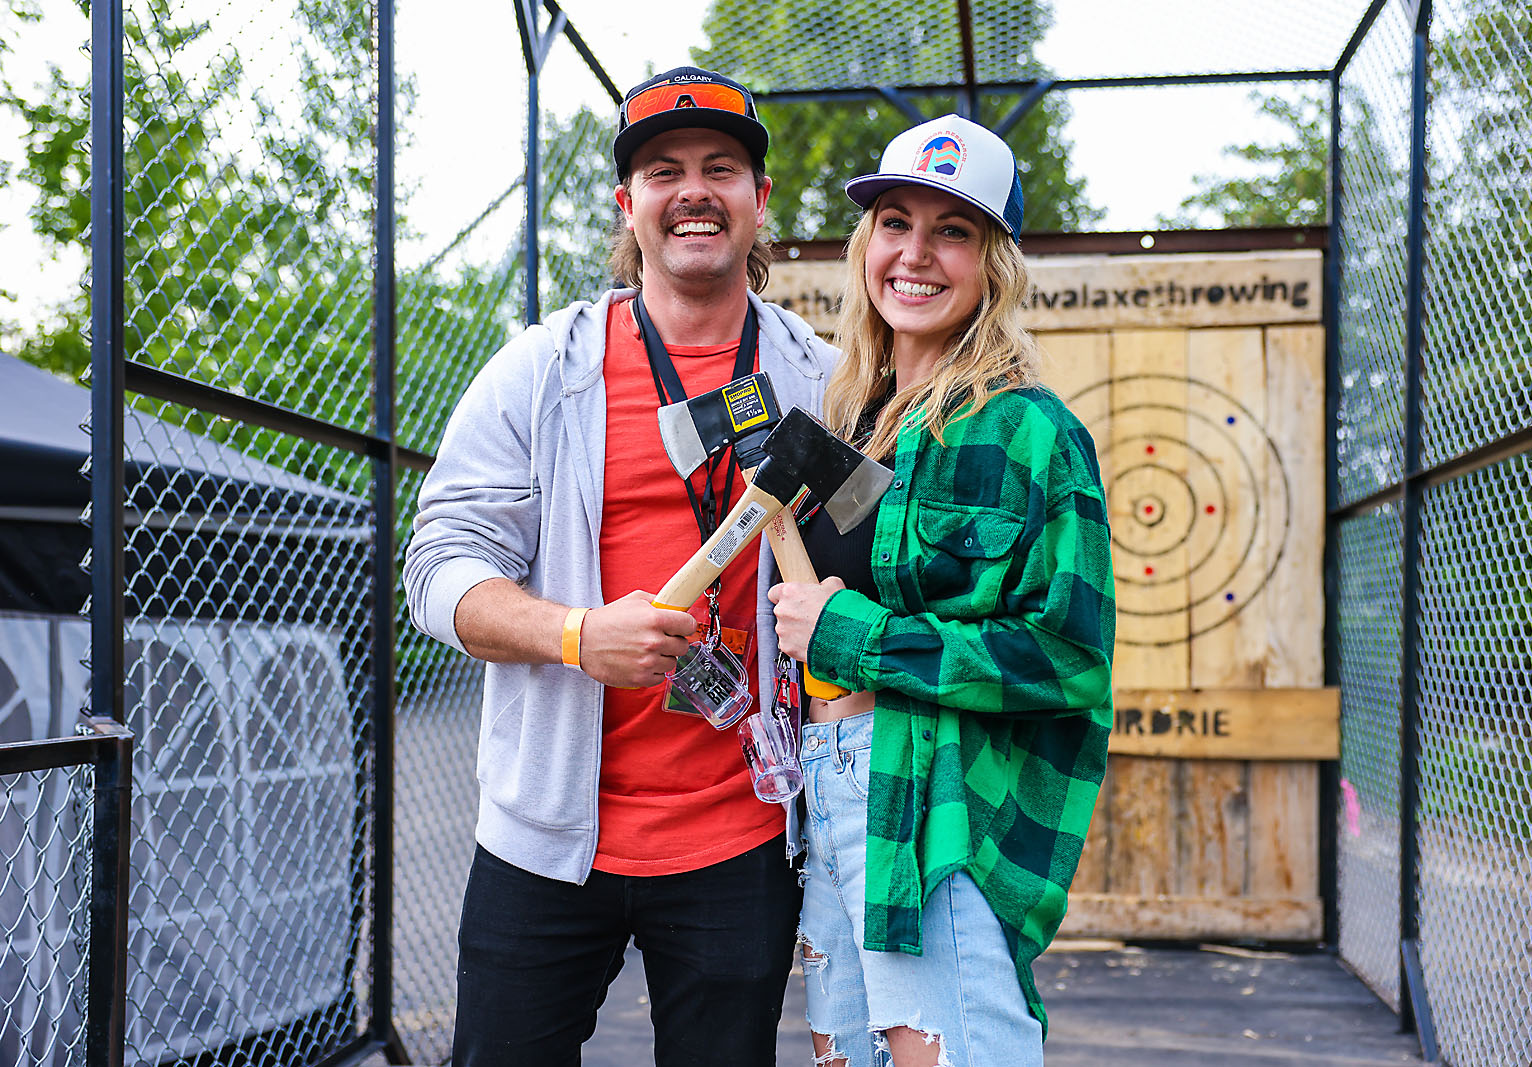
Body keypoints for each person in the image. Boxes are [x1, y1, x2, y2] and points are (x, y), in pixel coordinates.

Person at [402, 67, 836, 1066]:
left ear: (758, 199)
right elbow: (436, 566)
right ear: (627, 204)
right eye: (663, 170)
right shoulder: (543, 371)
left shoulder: (818, 375)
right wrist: (575, 635)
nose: (693, 188)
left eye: (721, 167)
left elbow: (868, 545)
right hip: (546, 838)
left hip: (742, 832)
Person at [767, 114, 1115, 1067]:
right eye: (894, 222)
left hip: (937, 796)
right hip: (829, 782)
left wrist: (857, 636)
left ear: (992, 263)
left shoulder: (1031, 432)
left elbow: (1072, 657)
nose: (915, 254)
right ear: (864, 245)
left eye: (951, 231)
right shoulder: (855, 421)